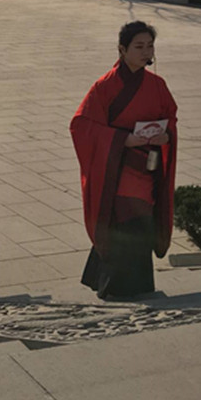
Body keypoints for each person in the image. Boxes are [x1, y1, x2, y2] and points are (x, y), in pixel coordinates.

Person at [70, 21, 178, 300]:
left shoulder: (157, 84)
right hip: (117, 168)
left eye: (150, 46)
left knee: (141, 222)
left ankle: (131, 286)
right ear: (122, 49)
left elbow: (170, 118)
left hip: (148, 166)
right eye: (139, 46)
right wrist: (122, 140)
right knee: (126, 220)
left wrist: (166, 135)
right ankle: (116, 289)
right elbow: (81, 125)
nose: (146, 52)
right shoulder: (104, 86)